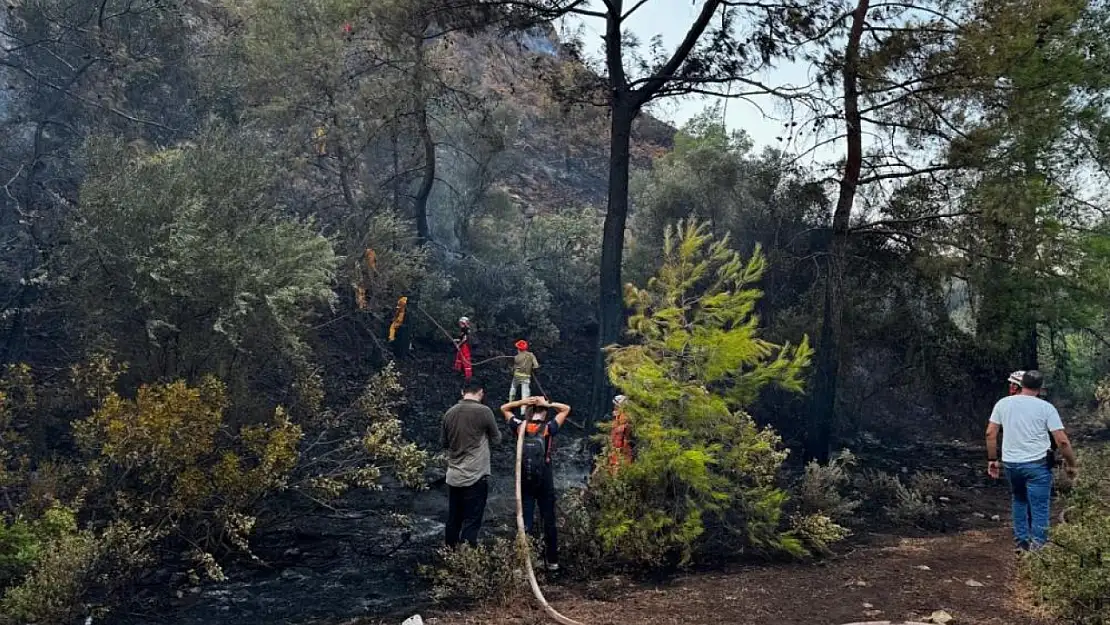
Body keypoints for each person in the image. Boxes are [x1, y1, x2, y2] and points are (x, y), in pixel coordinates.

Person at [986, 370, 1078, 551]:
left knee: (1019, 500)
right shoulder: (1046, 408)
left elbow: (990, 433)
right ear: (1040, 387)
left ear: (1021, 384)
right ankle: (1038, 547)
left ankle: (1021, 542)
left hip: (1011, 463)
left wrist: (992, 459)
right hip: (1037, 464)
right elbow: (1062, 440)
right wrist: (1072, 464)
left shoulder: (1002, 404)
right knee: (1040, 506)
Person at [501, 395, 571, 572]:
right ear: (545, 411)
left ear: (530, 410)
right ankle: (553, 562)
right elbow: (566, 409)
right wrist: (547, 403)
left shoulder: (520, 426)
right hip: (545, 479)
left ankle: (522, 563)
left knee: (526, 522)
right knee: (549, 520)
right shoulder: (548, 428)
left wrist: (523, 402)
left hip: (526, 478)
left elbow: (504, 408)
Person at [442, 378, 500, 548]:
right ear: (481, 392)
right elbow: (497, 439)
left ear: (462, 392)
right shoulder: (484, 412)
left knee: (454, 518)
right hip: (476, 475)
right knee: (472, 520)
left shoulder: (449, 413)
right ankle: (468, 560)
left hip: (454, 476)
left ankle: (450, 553)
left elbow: (444, 443)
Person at [508, 340, 539, 415]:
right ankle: (523, 411)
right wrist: (531, 367)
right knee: (525, 394)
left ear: (518, 349)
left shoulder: (516, 357)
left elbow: (514, 368)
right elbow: (536, 366)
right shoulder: (531, 355)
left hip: (517, 376)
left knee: (513, 389)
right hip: (526, 377)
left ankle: (509, 405)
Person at [607, 394, 633, 473]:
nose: (614, 407)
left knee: (619, 467)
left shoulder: (626, 418)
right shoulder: (617, 417)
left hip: (621, 447)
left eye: (616, 405)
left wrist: (622, 447)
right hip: (614, 447)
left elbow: (626, 436)